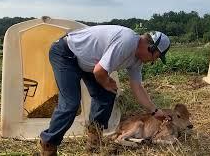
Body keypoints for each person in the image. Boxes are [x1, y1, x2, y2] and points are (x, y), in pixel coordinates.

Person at [38, 25, 171, 155]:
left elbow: (137, 87)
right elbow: (99, 71)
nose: (153, 61)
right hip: (66, 53)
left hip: (88, 63)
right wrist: (106, 82)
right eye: (156, 57)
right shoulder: (127, 41)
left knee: (107, 94)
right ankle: (48, 143)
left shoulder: (137, 60)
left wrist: (154, 111)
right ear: (151, 48)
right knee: (71, 103)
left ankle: (94, 138)